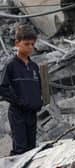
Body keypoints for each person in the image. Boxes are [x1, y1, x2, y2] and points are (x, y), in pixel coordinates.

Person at [0, 24, 43, 155]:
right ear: (17, 43)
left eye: (32, 44)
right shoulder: (11, 65)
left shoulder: (34, 66)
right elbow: (2, 87)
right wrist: (19, 101)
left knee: (31, 149)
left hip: (31, 113)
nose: (30, 47)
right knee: (20, 149)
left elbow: (38, 87)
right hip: (18, 113)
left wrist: (38, 102)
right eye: (26, 44)